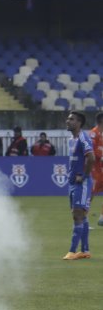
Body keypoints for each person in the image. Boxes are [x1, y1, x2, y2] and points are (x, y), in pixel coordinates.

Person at [63, 111, 94, 260]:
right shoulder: (71, 139)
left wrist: (84, 175)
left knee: (77, 215)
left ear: (79, 123)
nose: (67, 121)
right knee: (81, 215)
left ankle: (72, 251)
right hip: (72, 183)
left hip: (82, 183)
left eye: (71, 119)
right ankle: (85, 250)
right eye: (68, 119)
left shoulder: (83, 137)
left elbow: (91, 157)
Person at [89, 113, 103, 226]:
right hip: (95, 170)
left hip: (101, 169)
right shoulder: (93, 133)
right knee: (90, 194)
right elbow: (91, 151)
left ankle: (102, 218)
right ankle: (82, 219)